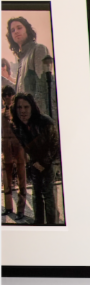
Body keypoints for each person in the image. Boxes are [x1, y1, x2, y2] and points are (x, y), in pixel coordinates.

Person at [10, 93, 59, 225]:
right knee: (36, 194)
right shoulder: (16, 125)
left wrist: (43, 163)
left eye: (26, 107)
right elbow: (26, 146)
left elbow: (55, 145)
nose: (23, 111)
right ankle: (38, 223)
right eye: (19, 107)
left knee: (48, 194)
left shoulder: (45, 121)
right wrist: (34, 161)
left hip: (49, 161)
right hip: (35, 162)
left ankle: (52, 224)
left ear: (32, 107)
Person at [6, 17, 52, 115]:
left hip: (36, 118)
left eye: (19, 28)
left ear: (27, 29)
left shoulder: (38, 49)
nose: (16, 31)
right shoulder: (21, 58)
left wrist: (38, 120)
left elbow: (42, 87)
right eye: (12, 30)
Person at [2, 86, 28, 221]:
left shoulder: (19, 111)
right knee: (6, 179)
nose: (7, 97)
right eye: (5, 95)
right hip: (6, 149)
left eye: (10, 94)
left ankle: (21, 210)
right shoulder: (1, 112)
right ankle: (8, 207)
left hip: (18, 147)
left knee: (21, 179)